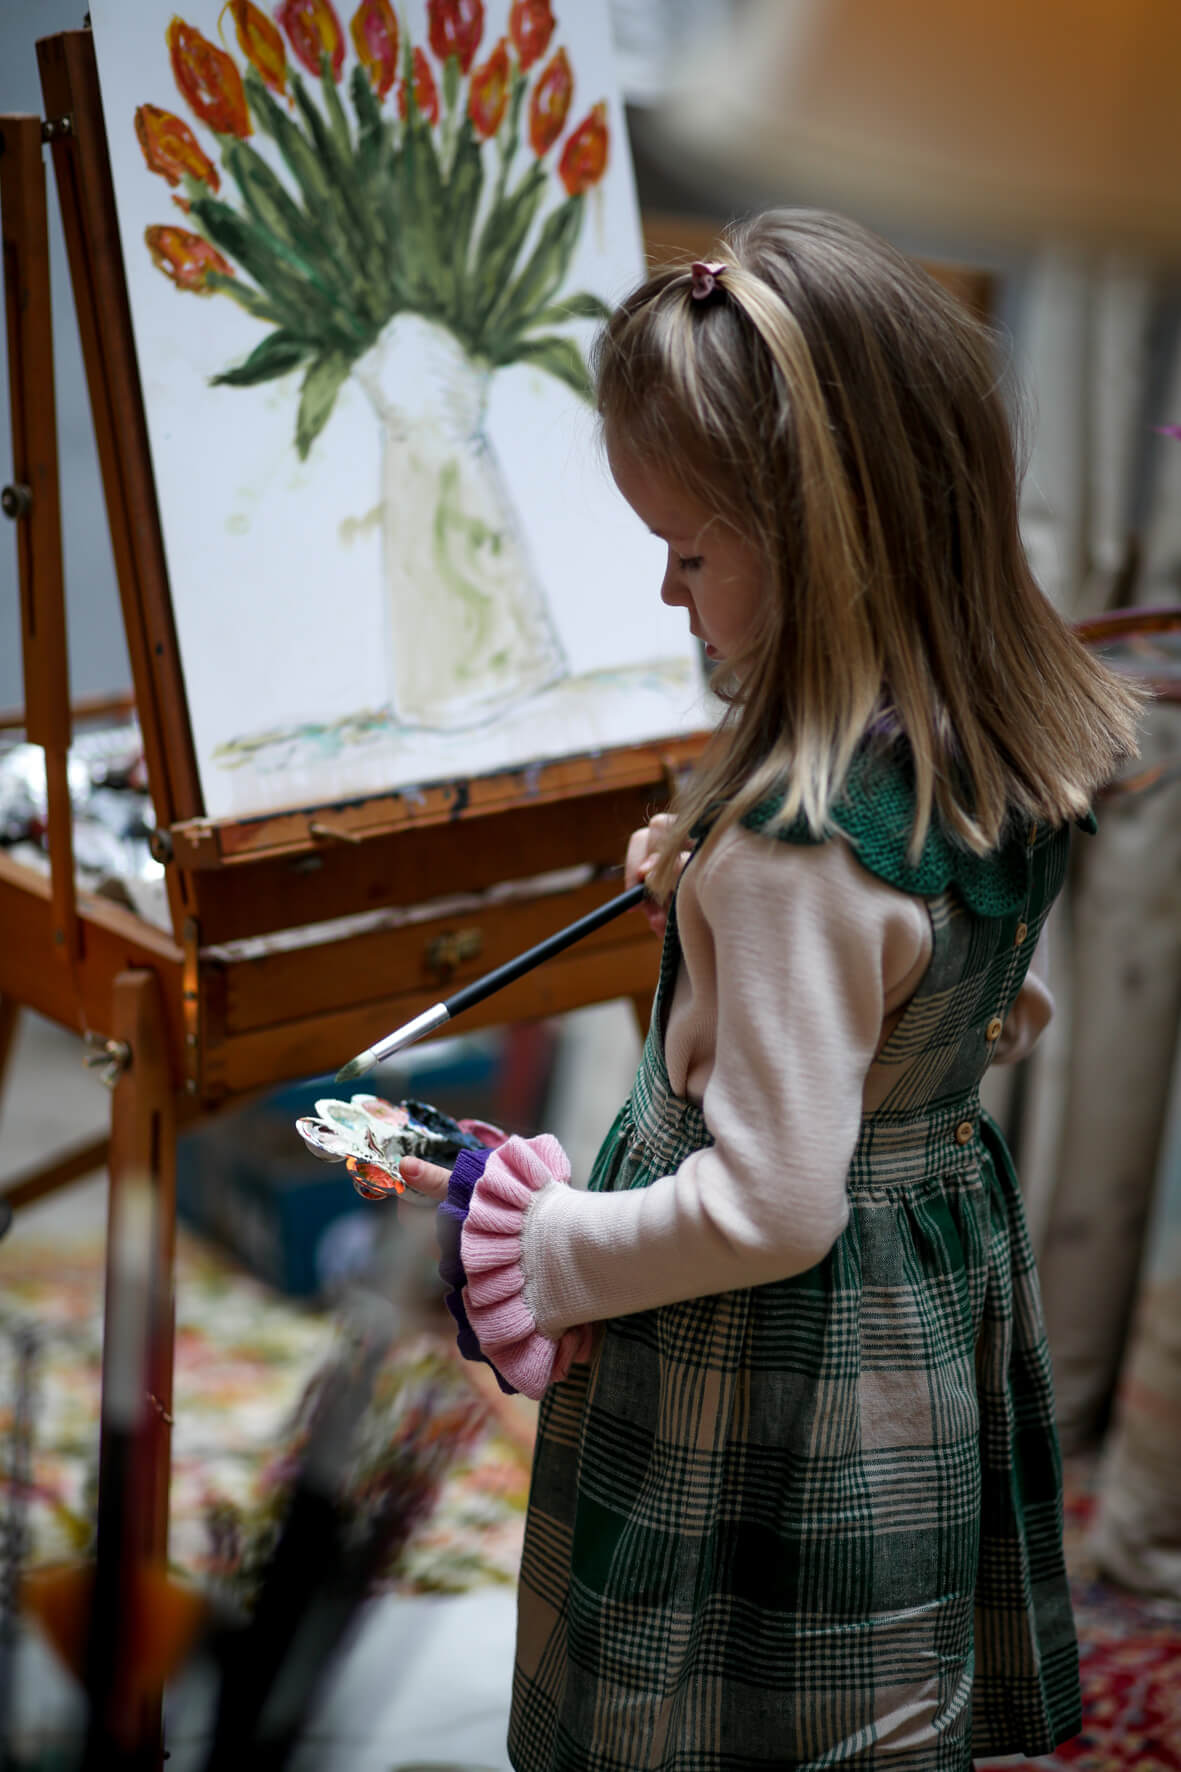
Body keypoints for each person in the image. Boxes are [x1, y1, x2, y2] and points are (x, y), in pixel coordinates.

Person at [399, 209, 1143, 1771]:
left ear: (822, 550)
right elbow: (981, 1008)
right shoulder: (973, 762)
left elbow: (766, 1210)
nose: (669, 593)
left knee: (707, 1682)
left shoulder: (787, 859)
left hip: (759, 1353)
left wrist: (552, 1249)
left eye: (688, 550)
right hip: (908, 1302)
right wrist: (711, 890)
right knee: (866, 1674)